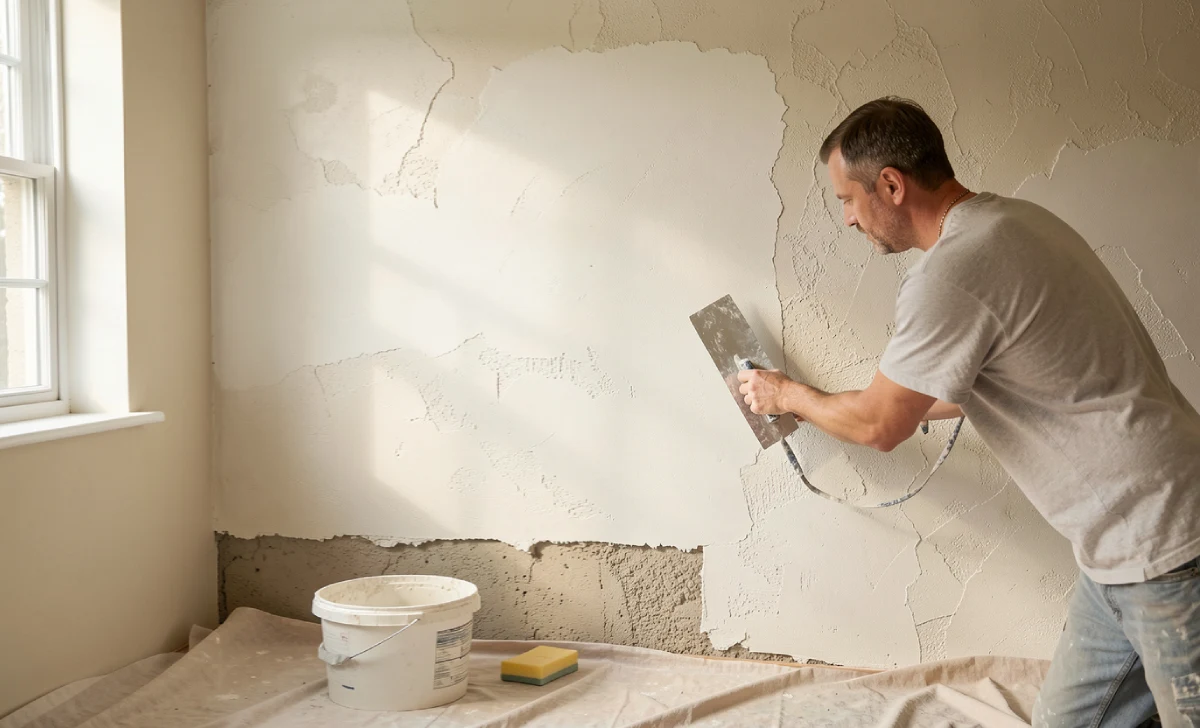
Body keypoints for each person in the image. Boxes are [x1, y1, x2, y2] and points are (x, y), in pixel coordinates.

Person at [737, 96, 1200, 728]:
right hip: (1117, 551)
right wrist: (890, 399)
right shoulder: (1015, 223)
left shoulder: (953, 272)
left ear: (891, 185)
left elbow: (881, 427)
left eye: (847, 199)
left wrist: (786, 395)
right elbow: (1003, 375)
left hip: (1168, 548)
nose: (846, 219)